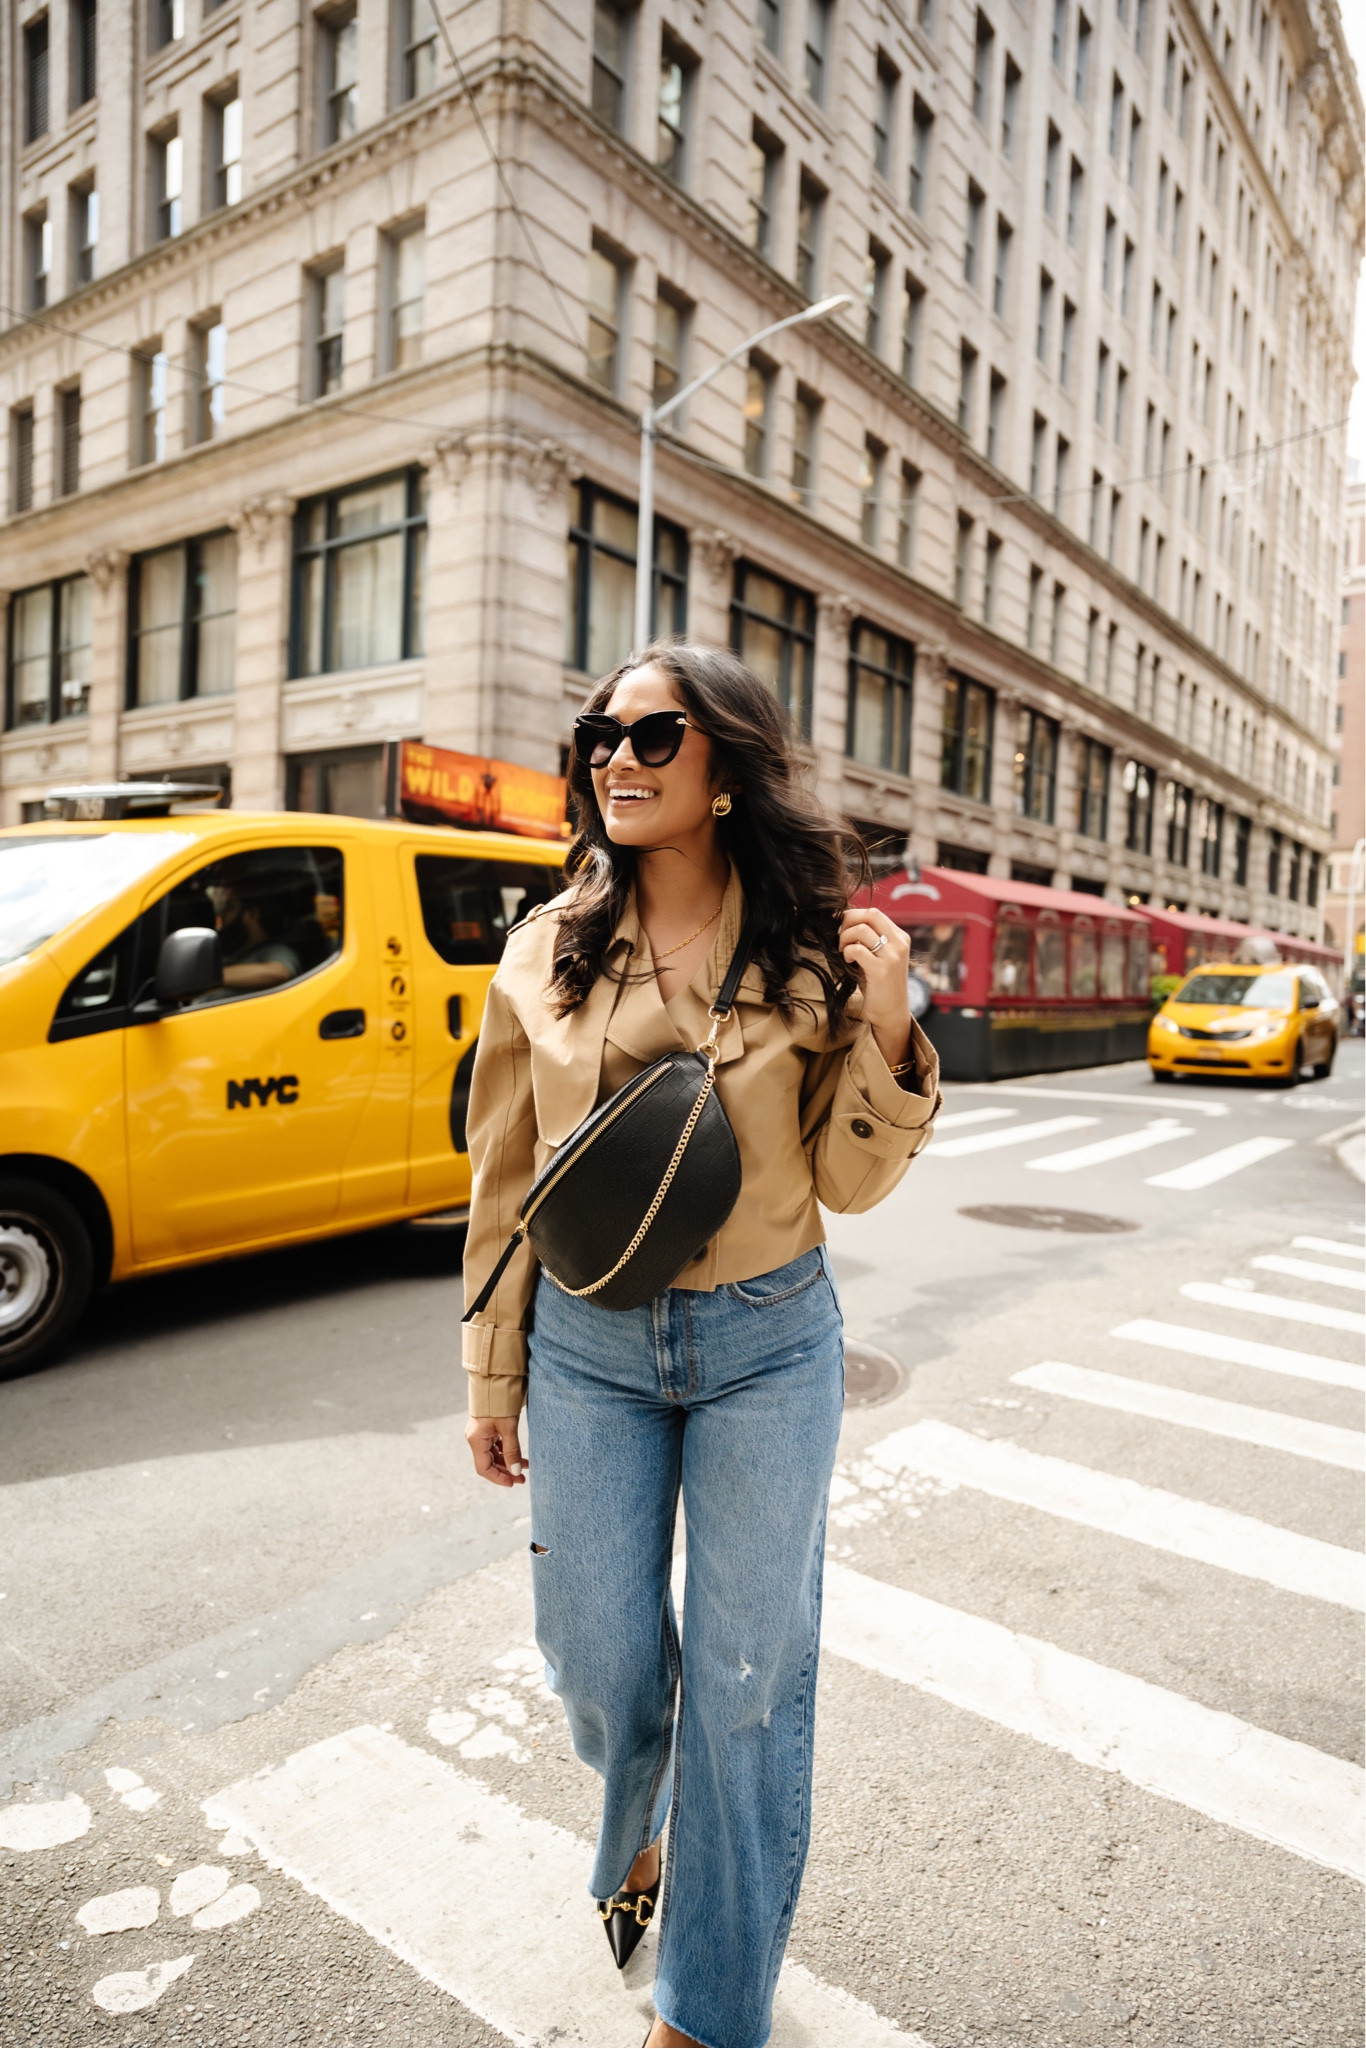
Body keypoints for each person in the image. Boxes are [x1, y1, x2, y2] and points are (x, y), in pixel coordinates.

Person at [461, 643, 941, 2049]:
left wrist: (892, 1029)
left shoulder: (813, 948)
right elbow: (505, 1174)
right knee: (596, 1656)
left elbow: (850, 1184)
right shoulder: (544, 945)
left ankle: (707, 2006)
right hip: (588, 1345)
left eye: (653, 734)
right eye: (601, 733)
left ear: (722, 764)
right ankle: (646, 1820)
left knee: (745, 1679)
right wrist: (492, 1371)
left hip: (764, 1343)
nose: (618, 756)